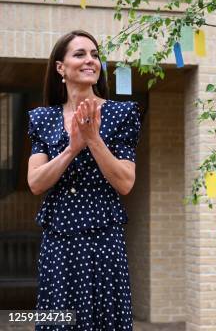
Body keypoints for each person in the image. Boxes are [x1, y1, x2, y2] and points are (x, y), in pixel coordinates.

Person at [27, 30, 141, 330]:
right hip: (58, 238)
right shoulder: (42, 118)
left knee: (104, 318)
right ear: (60, 68)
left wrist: (92, 140)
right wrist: (72, 148)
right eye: (80, 54)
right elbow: (36, 182)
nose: (90, 60)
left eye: (94, 54)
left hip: (103, 237)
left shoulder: (121, 114)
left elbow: (125, 183)